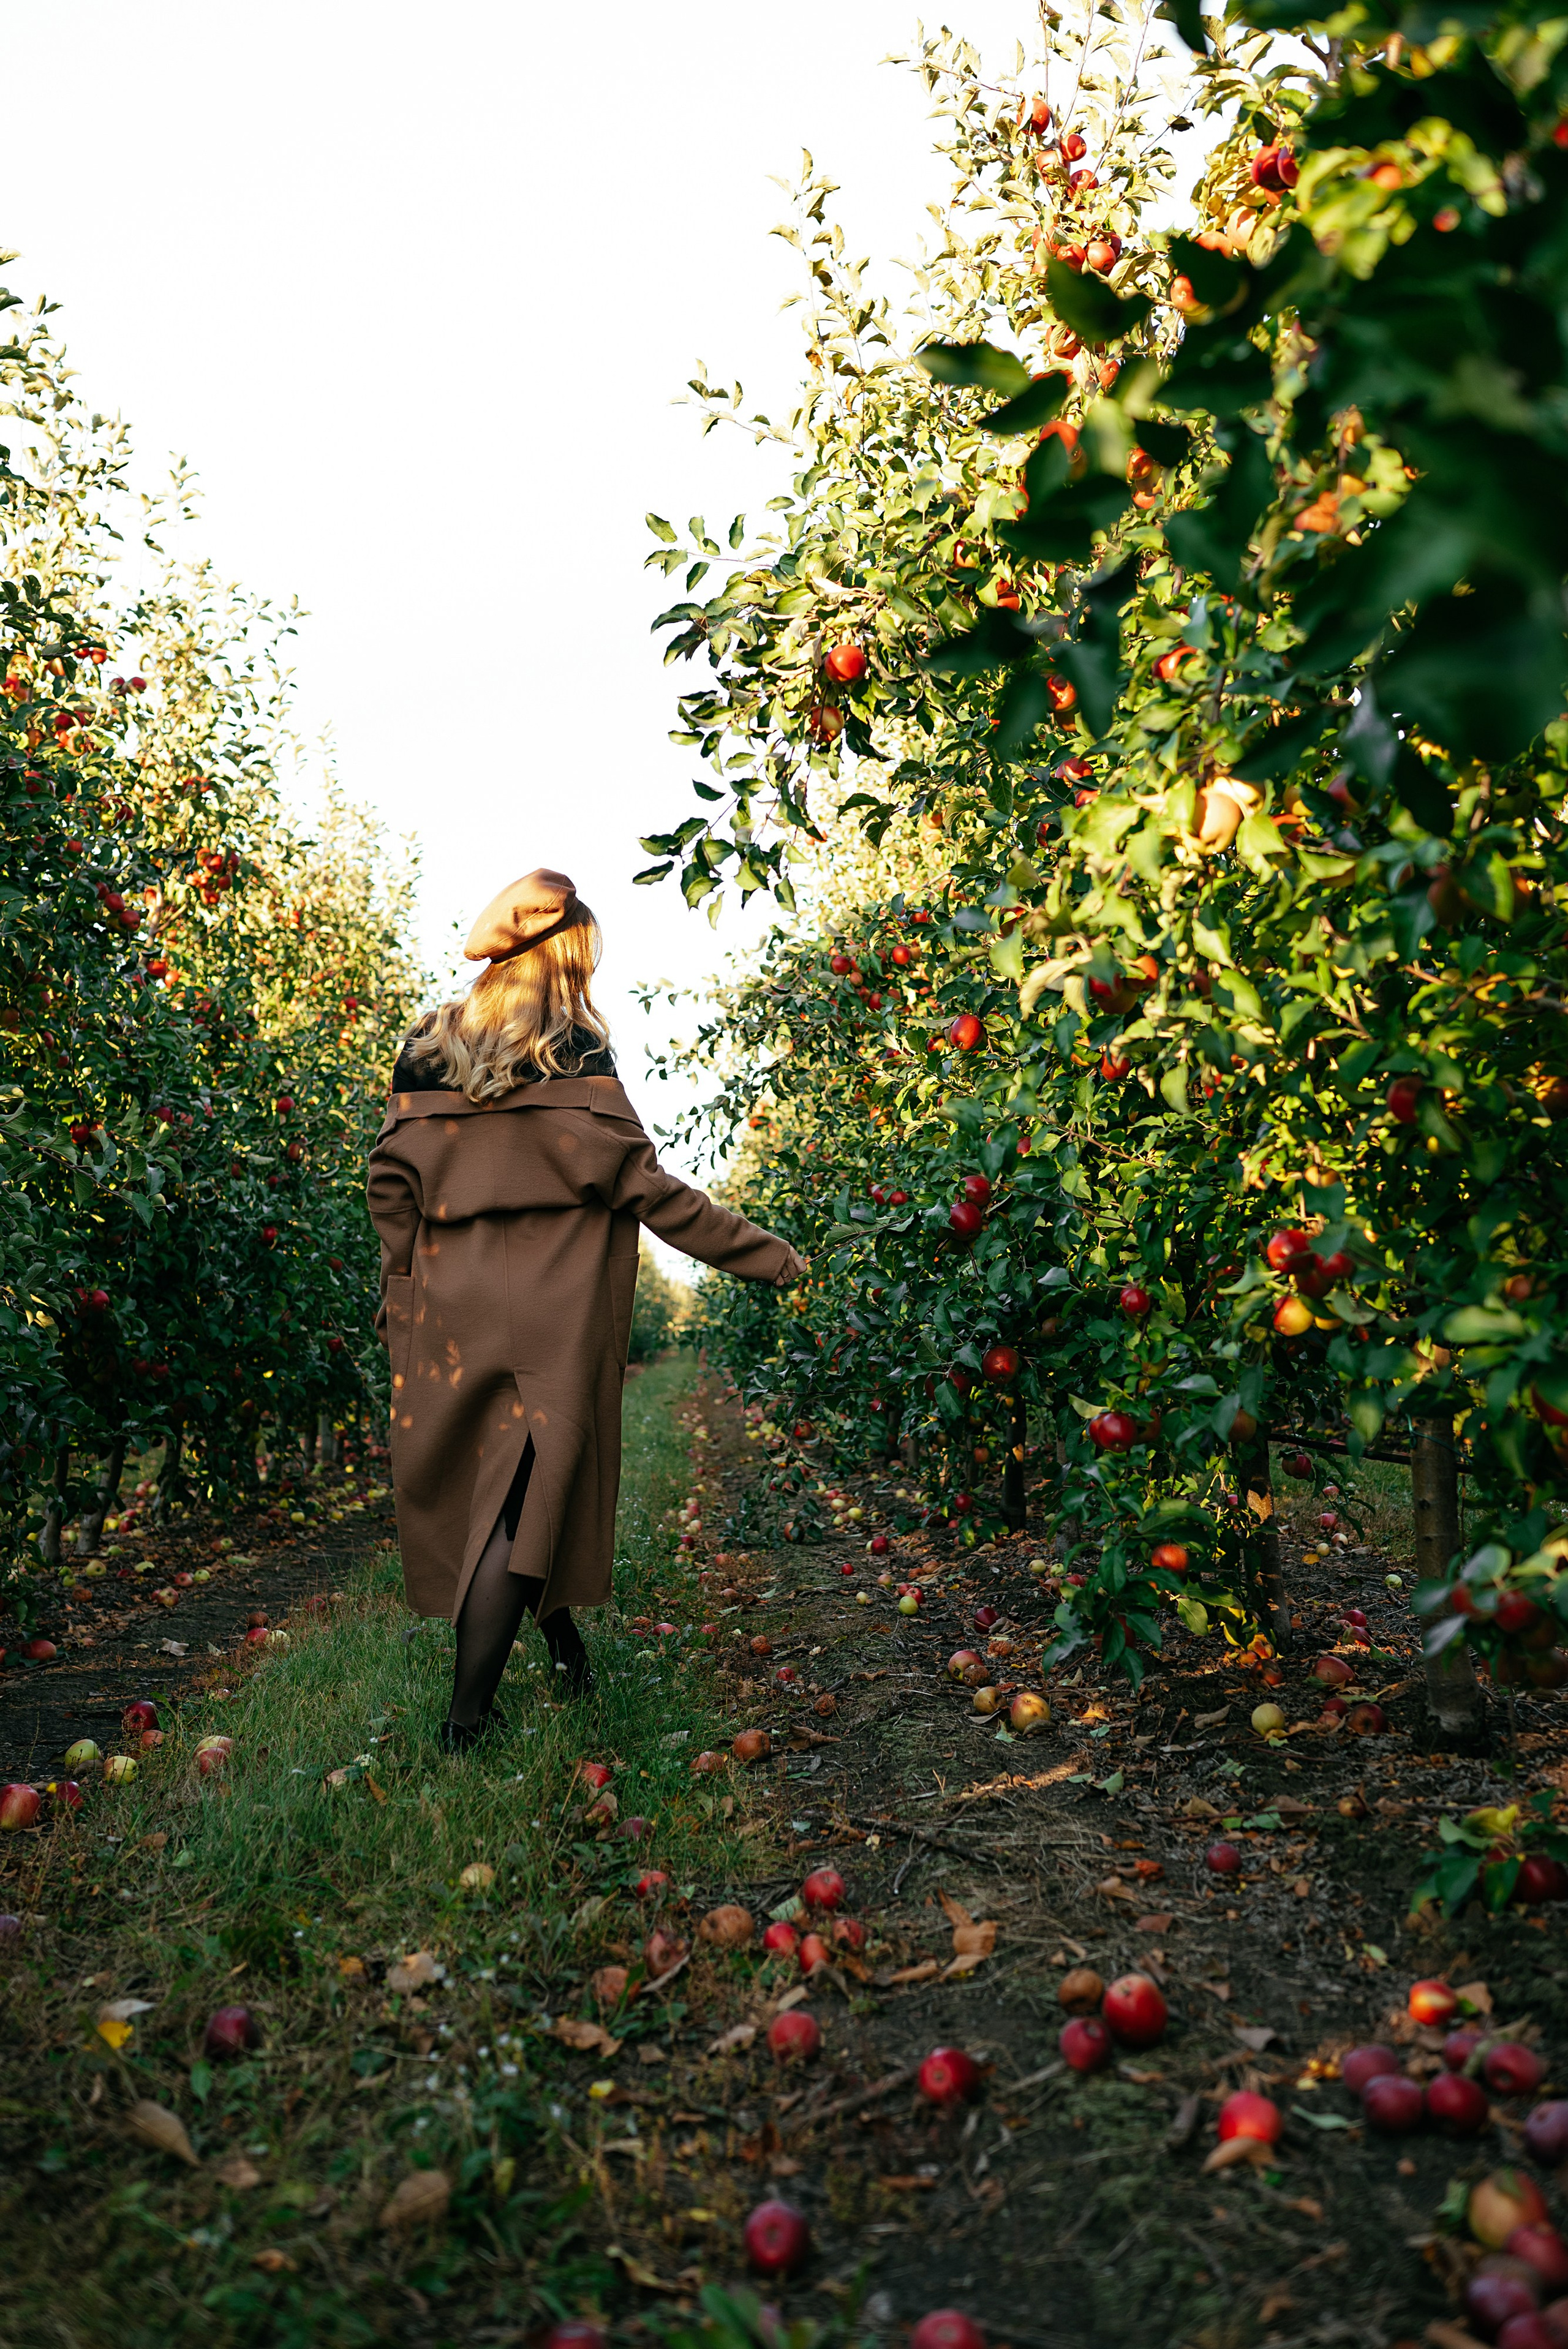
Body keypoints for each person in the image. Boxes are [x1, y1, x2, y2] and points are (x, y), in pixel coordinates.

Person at [366, 866, 806, 1750]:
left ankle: (563, 1643)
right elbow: (654, 1193)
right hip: (556, 1310)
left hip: (452, 1305)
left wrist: (402, 1294)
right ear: (569, 958)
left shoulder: (426, 1045)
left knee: (499, 1491)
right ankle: (464, 1728)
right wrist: (780, 1261)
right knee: (524, 1499)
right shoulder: (576, 1053)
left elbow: (389, 1185)